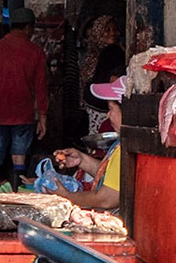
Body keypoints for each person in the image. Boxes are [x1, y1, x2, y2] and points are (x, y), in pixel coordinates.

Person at [0, 6, 49, 190]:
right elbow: (41, 88)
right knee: (19, 159)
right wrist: (43, 117)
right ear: (28, 28)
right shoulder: (36, 52)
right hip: (23, 114)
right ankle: (17, 196)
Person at [54, 77, 126, 211]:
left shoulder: (126, 149)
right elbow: (112, 178)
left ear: (127, 112)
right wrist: (81, 160)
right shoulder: (122, 143)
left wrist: (66, 196)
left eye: (111, 109)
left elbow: (107, 198)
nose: (108, 115)